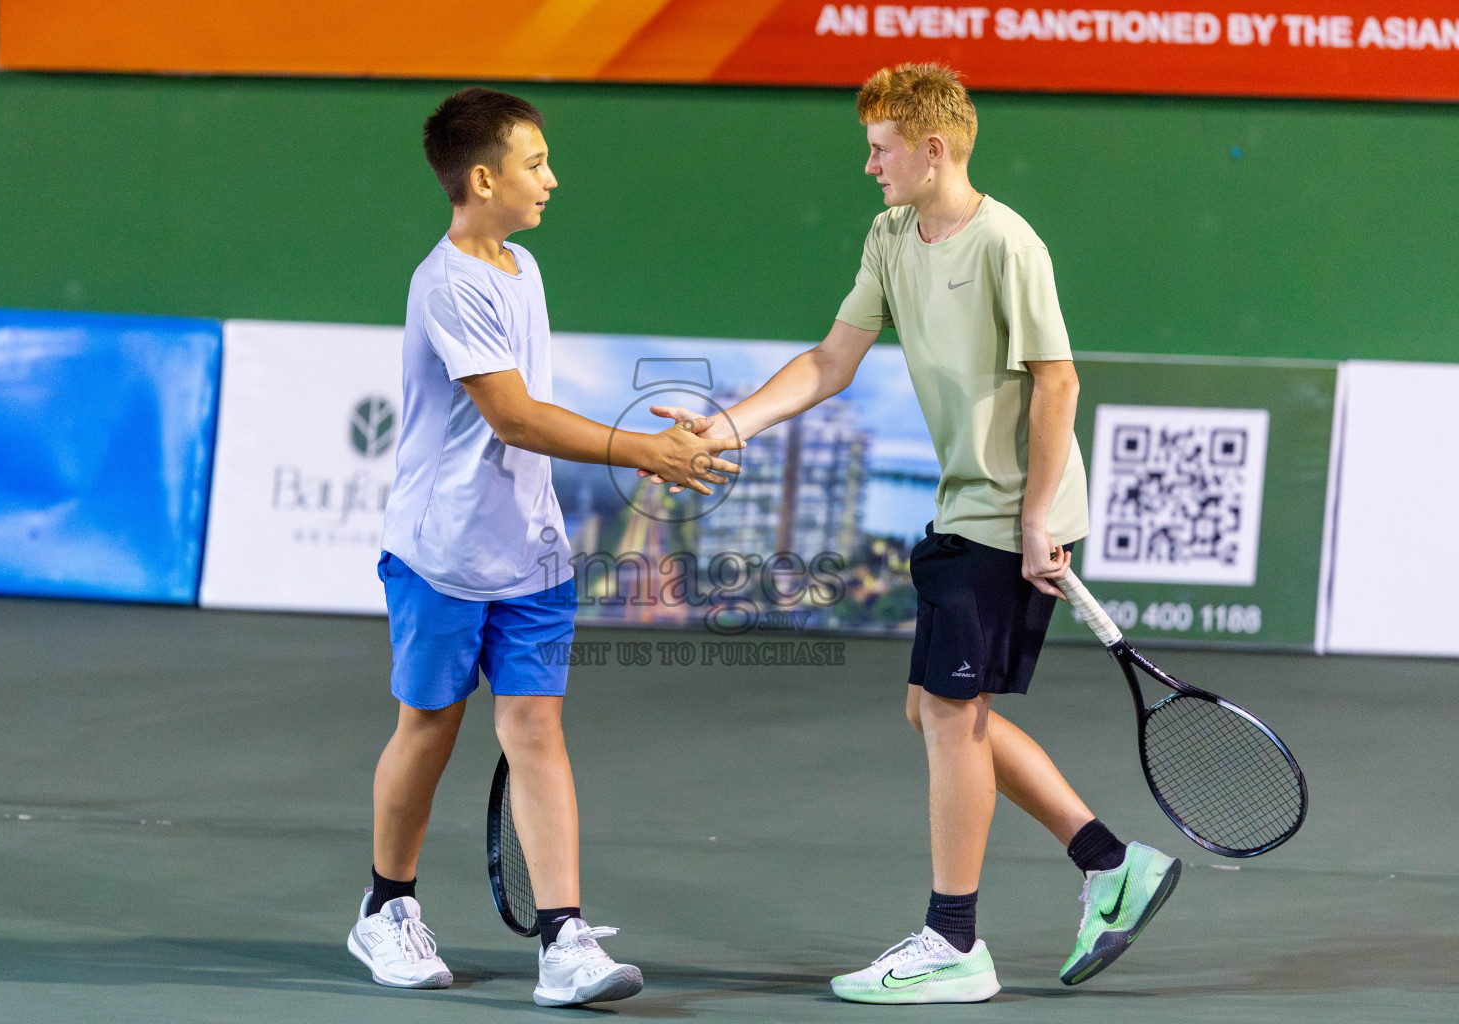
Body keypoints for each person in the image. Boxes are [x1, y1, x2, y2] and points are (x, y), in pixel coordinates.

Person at [650, 63, 1179, 1003]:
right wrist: (727, 425)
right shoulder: (892, 235)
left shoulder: (1009, 244)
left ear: (933, 149)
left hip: (1015, 511)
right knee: (940, 713)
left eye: (881, 149)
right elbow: (831, 359)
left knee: (948, 715)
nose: (869, 166)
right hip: (965, 505)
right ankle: (1111, 864)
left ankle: (955, 942)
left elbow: (1058, 381)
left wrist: (1032, 519)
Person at [347, 86, 741, 1007]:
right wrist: (639, 447)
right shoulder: (444, 284)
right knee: (430, 727)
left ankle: (565, 938)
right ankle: (385, 907)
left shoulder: (521, 267)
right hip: (441, 553)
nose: (551, 180)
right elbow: (514, 417)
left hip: (532, 554)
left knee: (536, 728)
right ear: (483, 178)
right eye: (535, 164)